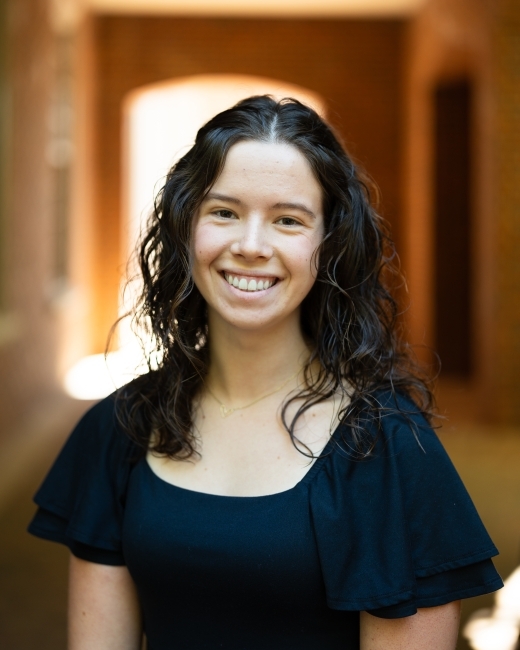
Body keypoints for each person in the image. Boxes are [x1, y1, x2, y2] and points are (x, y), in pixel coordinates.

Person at [28, 96, 502, 650]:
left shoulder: (388, 451)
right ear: (186, 229)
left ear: (328, 245)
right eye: (224, 212)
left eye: (287, 220)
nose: (250, 246)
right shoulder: (120, 429)